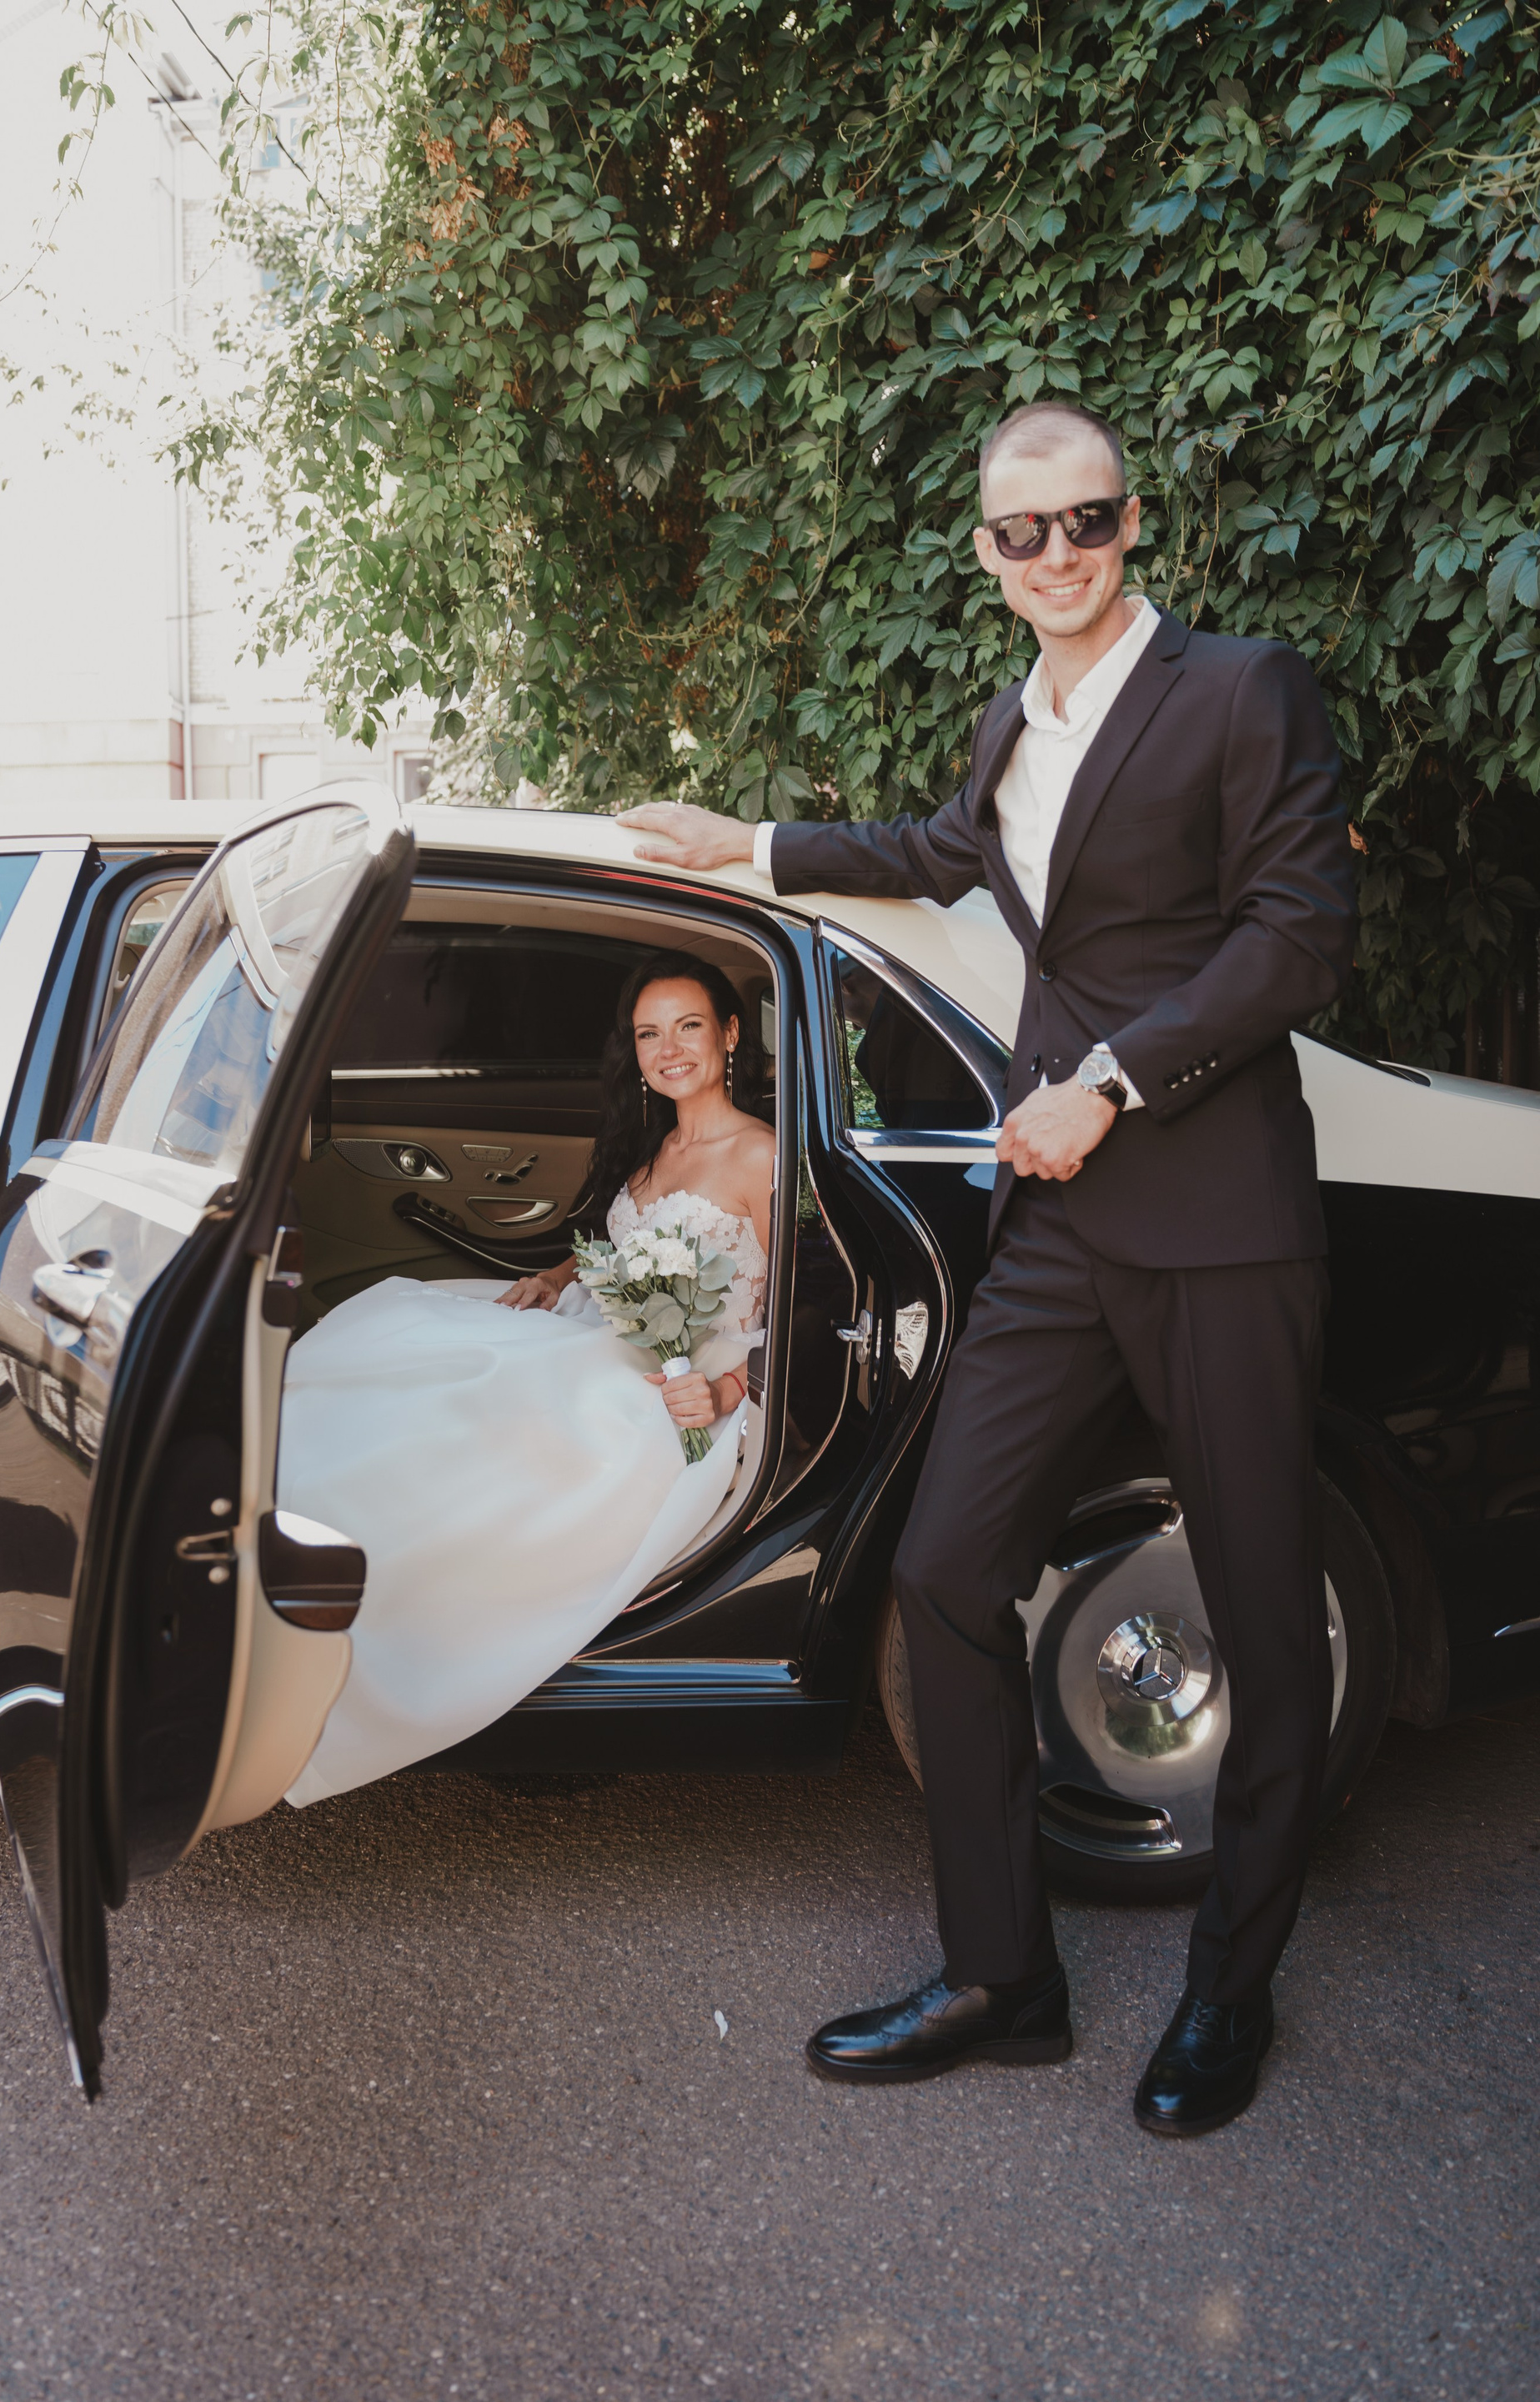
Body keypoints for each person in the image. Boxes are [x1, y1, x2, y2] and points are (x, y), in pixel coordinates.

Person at [623, 399, 1356, 2138]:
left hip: (1219, 1225)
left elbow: (1299, 937)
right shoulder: (1011, 721)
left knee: (1264, 1614)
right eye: (1023, 532)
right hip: (1062, 1231)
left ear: (1129, 522)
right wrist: (749, 849)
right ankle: (1001, 1978)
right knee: (947, 1572)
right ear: (987, 552)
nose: (1057, 554)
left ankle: (1229, 1992)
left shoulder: (1241, 691)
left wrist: (1109, 1085)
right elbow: (941, 855)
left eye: (1085, 520)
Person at [277, 952, 775, 1807]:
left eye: (689, 1026)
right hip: (604, 1330)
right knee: (413, 1349)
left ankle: (379, 1633)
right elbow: (624, 1248)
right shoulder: (656, 1142)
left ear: (730, 1034)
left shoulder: (762, 1155)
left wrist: (728, 1393)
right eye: (649, 1034)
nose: (669, 1050)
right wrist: (556, 1275)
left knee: (484, 1406)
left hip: (690, 1377)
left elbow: (811, 1303)